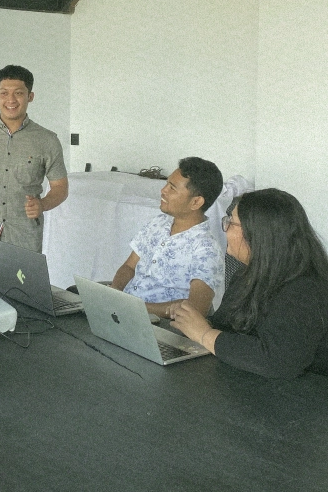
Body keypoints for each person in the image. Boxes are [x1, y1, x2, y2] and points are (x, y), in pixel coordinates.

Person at [171, 188, 328, 379]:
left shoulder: (305, 288)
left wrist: (204, 334)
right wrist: (191, 321)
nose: (225, 228)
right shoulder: (246, 274)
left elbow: (279, 361)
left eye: (231, 222)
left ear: (257, 235)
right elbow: (225, 326)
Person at [0, 64, 68, 280]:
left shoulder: (47, 140)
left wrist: (42, 204)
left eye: (18, 93)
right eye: (4, 93)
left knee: (23, 301)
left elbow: (60, 187)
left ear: (30, 96)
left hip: (24, 243)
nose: (11, 100)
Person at [111, 157, 224, 318]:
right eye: (166, 184)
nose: (163, 190)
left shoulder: (206, 250)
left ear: (196, 202)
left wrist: (136, 308)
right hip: (123, 312)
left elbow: (195, 310)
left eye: (172, 188)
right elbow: (129, 266)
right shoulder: (158, 223)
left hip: (160, 325)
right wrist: (114, 294)